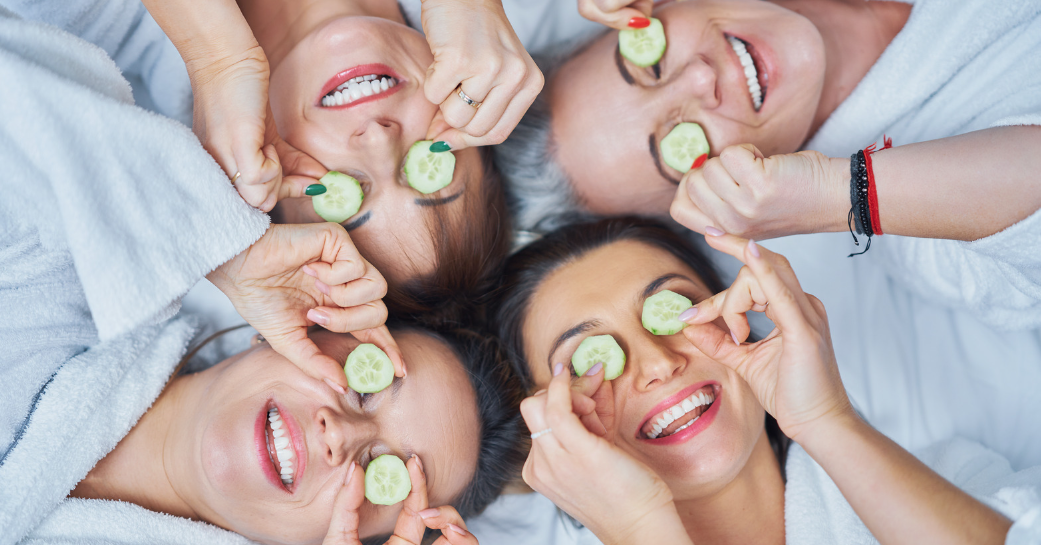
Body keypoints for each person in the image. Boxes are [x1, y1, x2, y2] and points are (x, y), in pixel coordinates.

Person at [0, 11, 524, 543]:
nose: (339, 436)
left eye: (379, 481)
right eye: (366, 383)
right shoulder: (64, 265)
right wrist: (222, 249)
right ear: (294, 329)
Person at [489, 217, 1041, 545]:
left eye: (675, 308)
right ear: (546, 425)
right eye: (592, 361)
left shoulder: (936, 488)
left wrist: (826, 421)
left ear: (742, 324)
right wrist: (639, 528)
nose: (657, 363)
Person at [496, 0, 1041, 328]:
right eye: (679, 147)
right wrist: (840, 193)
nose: (698, 80)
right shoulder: (939, 230)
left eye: (650, 61)